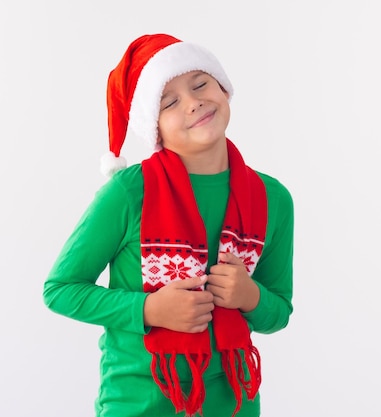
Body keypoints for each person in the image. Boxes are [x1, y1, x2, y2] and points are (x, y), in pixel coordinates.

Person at [43, 33, 294, 417]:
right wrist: (149, 309)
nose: (193, 103)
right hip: (138, 405)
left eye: (201, 84)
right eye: (170, 101)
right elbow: (60, 290)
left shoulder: (272, 198)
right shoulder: (128, 194)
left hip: (235, 406)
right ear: (154, 126)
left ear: (224, 89)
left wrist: (250, 297)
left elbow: (278, 312)